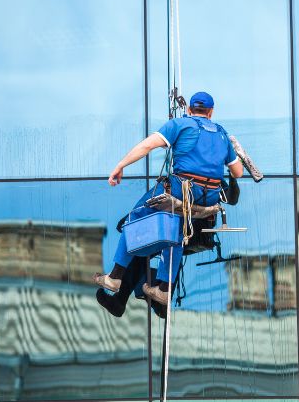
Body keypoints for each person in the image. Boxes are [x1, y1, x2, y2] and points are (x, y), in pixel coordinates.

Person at [93, 91, 244, 307]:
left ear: (189, 109)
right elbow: (237, 172)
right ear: (211, 112)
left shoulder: (180, 125)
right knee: (176, 234)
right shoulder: (222, 134)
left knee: (133, 219)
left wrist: (120, 166)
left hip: (182, 190)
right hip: (208, 199)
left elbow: (147, 146)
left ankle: (115, 277)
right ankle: (164, 289)